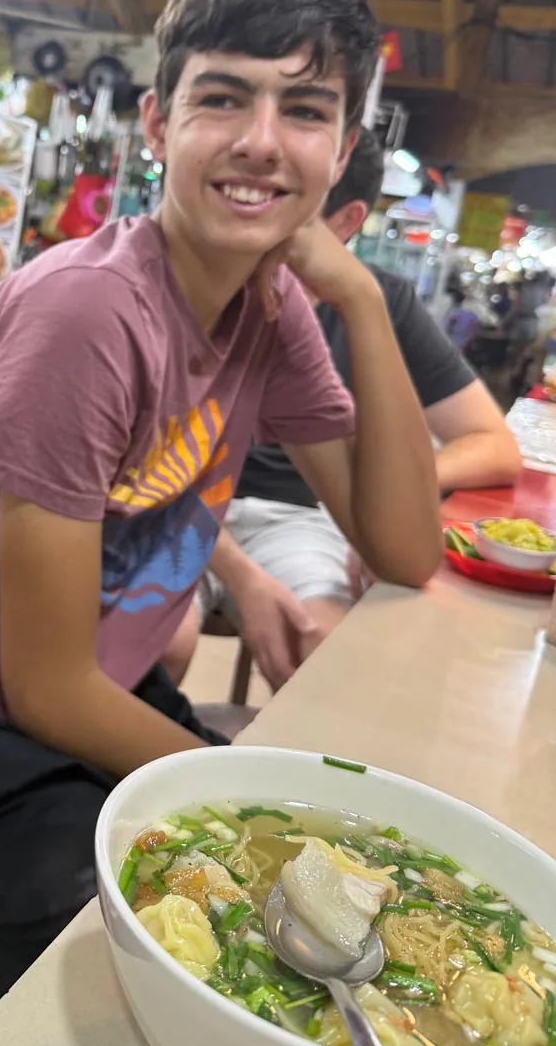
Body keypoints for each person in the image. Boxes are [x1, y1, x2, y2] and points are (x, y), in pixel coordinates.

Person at [0, 0, 444, 1023]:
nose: (263, 142)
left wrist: (359, 298)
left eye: (306, 110)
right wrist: (249, 802)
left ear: (345, 147)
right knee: (151, 978)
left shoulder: (276, 308)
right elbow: (40, 686)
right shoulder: (87, 314)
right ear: (159, 123)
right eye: (223, 97)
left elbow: (406, 549)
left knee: (289, 926)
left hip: (89, 693)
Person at [181, 130, 522, 689]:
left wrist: (387, 491)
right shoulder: (193, 287)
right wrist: (242, 577)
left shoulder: (372, 305)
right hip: (176, 509)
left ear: (344, 223)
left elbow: (492, 446)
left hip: (299, 523)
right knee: (156, 646)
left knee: (330, 661)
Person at [443, 289, 481, 354]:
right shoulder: (471, 315)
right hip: (464, 345)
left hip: (453, 343)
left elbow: (447, 328)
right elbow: (475, 329)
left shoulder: (453, 313)